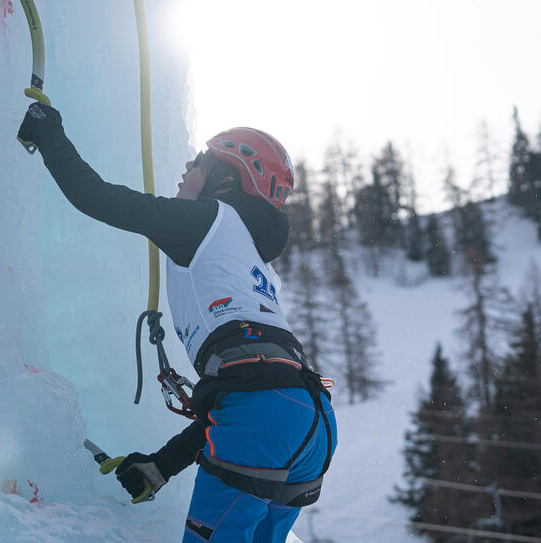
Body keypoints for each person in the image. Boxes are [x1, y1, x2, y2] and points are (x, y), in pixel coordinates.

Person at [18, 102, 338, 543]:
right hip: (312, 420)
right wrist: (160, 466)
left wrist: (47, 133)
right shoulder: (255, 264)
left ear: (225, 181)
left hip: (264, 415)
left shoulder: (207, 219)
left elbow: (95, 196)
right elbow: (242, 398)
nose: (188, 165)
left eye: (200, 161)